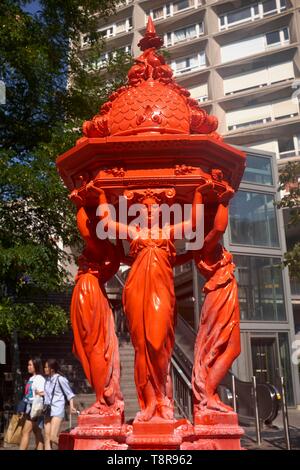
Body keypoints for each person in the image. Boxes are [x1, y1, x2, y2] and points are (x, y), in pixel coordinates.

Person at [86, 182, 201, 422]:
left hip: (161, 290)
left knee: (157, 342)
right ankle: (149, 402)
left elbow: (193, 223)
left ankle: (162, 397)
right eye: (145, 209)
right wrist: (100, 195)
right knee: (141, 346)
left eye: (154, 209)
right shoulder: (134, 233)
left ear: (162, 212)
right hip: (137, 288)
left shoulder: (166, 232)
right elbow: (107, 223)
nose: (150, 213)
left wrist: (200, 192)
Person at [192, 179, 241, 415]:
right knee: (223, 346)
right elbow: (220, 228)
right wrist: (224, 202)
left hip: (225, 291)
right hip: (219, 293)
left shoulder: (207, 244)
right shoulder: (204, 244)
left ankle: (209, 392)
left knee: (232, 347)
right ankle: (208, 393)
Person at [42, 359, 76, 450]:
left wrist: (72, 406)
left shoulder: (60, 379)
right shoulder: (47, 380)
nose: (44, 369)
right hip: (47, 410)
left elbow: (69, 394)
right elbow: (48, 394)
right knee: (47, 437)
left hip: (57, 409)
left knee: (53, 437)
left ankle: (69, 448)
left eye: (46, 367)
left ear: (52, 369)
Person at [19, 357, 45, 450]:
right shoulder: (32, 378)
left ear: (36, 366)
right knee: (37, 431)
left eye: (30, 365)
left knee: (25, 432)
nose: (28, 367)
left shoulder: (39, 378)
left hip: (34, 408)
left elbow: (43, 393)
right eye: (28, 365)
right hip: (29, 407)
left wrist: (40, 394)